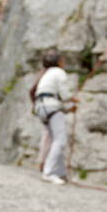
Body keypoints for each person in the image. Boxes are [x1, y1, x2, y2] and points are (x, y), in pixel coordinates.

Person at [31, 50, 77, 185]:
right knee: (60, 140)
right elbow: (64, 94)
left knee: (55, 139)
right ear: (59, 61)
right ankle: (49, 172)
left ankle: (61, 172)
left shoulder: (46, 73)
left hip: (41, 107)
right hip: (51, 106)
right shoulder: (58, 72)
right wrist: (73, 99)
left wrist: (67, 108)